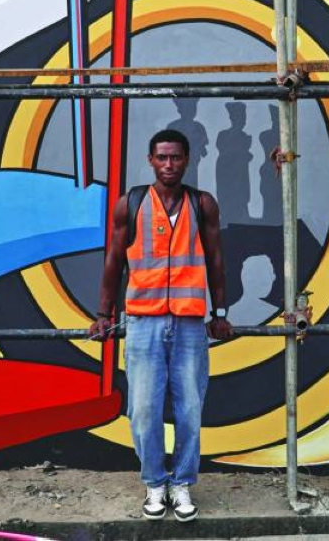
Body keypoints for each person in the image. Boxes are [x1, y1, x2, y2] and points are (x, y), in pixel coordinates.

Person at [89, 129, 234, 523]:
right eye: (162, 157)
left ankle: (182, 482)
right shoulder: (131, 203)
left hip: (188, 322)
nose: (169, 164)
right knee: (144, 409)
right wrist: (104, 313)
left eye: (176, 157)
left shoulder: (202, 204)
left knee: (189, 408)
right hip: (142, 322)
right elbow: (114, 261)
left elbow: (217, 260)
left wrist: (219, 313)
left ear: (187, 160)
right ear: (151, 160)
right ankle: (155, 482)